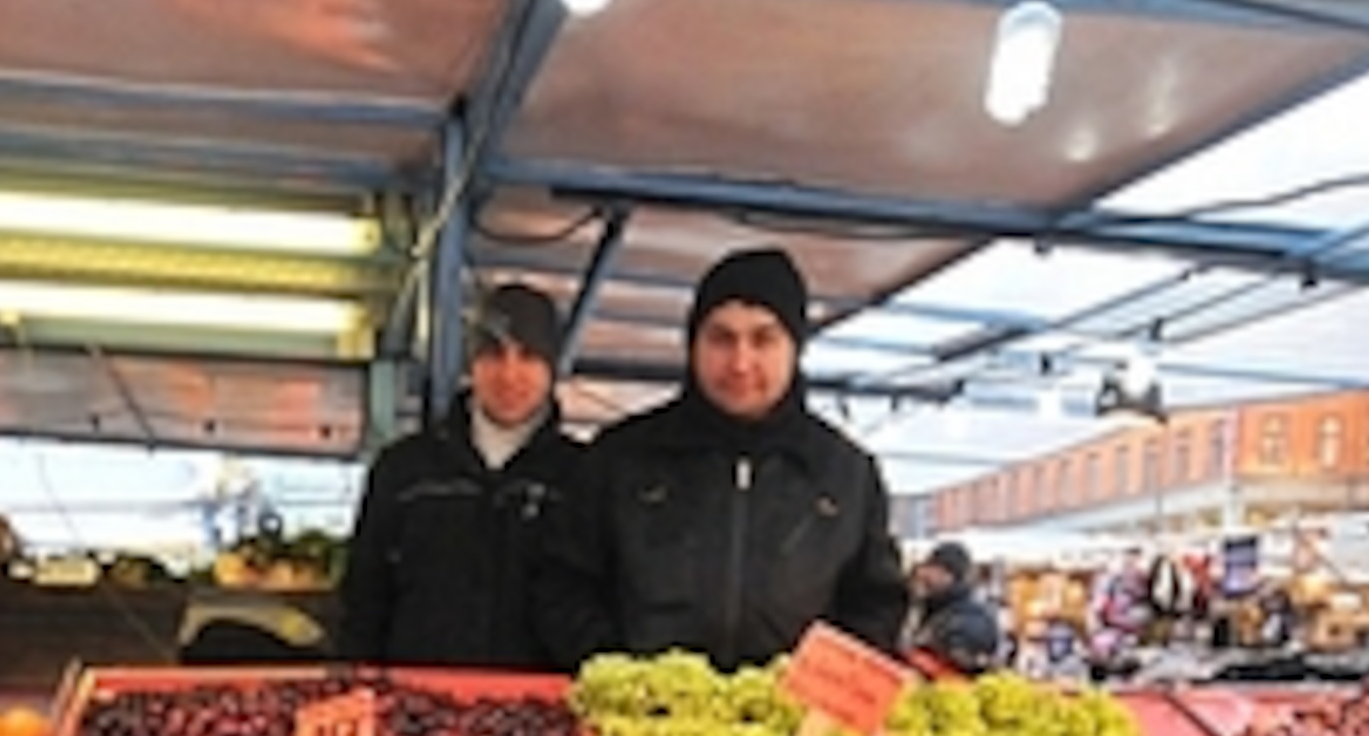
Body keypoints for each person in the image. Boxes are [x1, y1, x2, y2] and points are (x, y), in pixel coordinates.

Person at [531, 247, 907, 673]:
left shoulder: (846, 475)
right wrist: (617, 671)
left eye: (763, 339)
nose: (740, 363)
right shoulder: (621, 457)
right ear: (693, 344)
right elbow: (564, 584)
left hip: (786, 731)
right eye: (721, 338)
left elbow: (877, 607)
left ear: (795, 348)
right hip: (637, 726)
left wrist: (815, 691)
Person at [336, 281, 582, 670]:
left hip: (538, 709)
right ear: (471, 363)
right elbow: (364, 599)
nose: (509, 374)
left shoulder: (584, 478)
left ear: (554, 367)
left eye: (529, 356)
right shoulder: (403, 469)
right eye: (493, 355)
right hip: (416, 706)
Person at [904, 540, 1005, 676]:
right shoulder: (933, 609)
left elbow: (963, 664)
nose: (923, 574)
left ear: (948, 575)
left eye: (931, 568)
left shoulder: (971, 618)